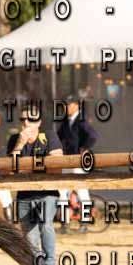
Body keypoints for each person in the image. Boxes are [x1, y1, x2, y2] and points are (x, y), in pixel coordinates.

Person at [8, 105, 63, 265]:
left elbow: (57, 164)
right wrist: (20, 145)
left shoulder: (49, 136)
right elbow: (10, 169)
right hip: (24, 194)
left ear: (39, 122)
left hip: (46, 191)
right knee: (29, 234)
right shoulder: (15, 139)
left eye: (31, 119)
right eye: (23, 119)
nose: (26, 122)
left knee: (45, 225)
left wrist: (26, 168)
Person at [56, 93, 101, 234]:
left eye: (68, 105)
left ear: (76, 105)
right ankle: (64, 224)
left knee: (82, 193)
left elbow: (93, 136)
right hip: (66, 161)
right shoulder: (66, 121)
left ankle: (84, 223)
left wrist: (84, 148)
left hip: (78, 162)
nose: (65, 108)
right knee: (62, 192)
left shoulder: (81, 119)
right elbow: (58, 137)